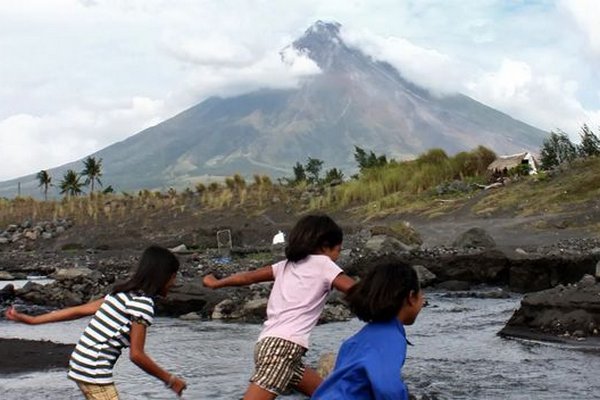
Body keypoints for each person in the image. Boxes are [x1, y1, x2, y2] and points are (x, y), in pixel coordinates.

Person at [203, 214, 355, 400]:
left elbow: (247, 277)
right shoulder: (324, 264)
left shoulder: (285, 265)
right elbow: (356, 289)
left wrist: (216, 283)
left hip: (267, 345)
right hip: (284, 349)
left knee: (329, 395)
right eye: (338, 250)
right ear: (325, 246)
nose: (337, 257)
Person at [5, 245, 187, 399]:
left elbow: (78, 310)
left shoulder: (122, 294)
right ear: (162, 276)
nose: (174, 282)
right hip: (93, 371)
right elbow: (136, 355)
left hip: (80, 364)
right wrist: (170, 380)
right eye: (173, 276)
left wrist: (34, 320)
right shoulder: (142, 304)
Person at [311, 256, 425, 400]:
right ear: (411, 296)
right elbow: (387, 388)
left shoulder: (357, 339)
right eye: (421, 293)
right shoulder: (391, 338)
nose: (423, 299)